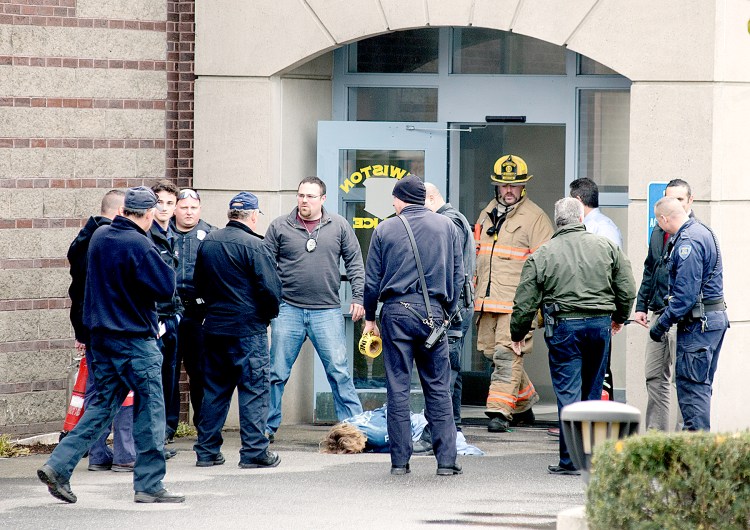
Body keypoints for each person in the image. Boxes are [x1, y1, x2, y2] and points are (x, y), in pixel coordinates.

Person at [38, 186, 184, 504]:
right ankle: (149, 484)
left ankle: (59, 466)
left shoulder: (100, 238)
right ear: (146, 215)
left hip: (101, 340)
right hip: (134, 341)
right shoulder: (140, 243)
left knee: (102, 405)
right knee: (151, 410)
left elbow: (78, 254)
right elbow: (165, 286)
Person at [510, 197, 635, 475]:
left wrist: (518, 333)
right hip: (599, 327)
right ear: (581, 218)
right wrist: (619, 317)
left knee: (568, 393)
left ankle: (569, 461)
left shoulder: (542, 254)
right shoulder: (606, 247)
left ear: (558, 221)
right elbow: (627, 287)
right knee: (592, 391)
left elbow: (524, 301)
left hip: (564, 328)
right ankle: (592, 458)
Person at [363, 175, 464, 476]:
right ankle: (446, 461)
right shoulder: (446, 226)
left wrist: (370, 318)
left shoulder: (385, 229)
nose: (392, 204)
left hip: (396, 314)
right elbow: (458, 276)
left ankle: (399, 462)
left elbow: (371, 283)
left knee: (398, 388)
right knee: (438, 387)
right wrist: (446, 311)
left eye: (393, 198)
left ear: (401, 199)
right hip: (434, 314)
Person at [264, 176, 364, 441]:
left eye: (309, 196)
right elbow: (263, 268)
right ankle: (265, 428)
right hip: (287, 310)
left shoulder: (339, 226)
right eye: (300, 195)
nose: (304, 200)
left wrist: (358, 297)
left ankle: (354, 429)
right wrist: (267, 304)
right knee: (276, 373)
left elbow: (355, 263)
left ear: (323, 199)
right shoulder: (280, 226)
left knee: (339, 372)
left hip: (326, 311)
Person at [193, 192, 283, 468]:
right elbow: (271, 291)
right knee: (254, 389)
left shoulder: (208, 242)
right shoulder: (255, 246)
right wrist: (265, 318)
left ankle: (207, 451)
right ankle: (255, 452)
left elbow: (199, 285)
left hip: (215, 327)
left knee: (215, 391)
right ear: (253, 215)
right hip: (247, 330)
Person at [474, 154, 554, 432]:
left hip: (517, 306)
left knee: (508, 356)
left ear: (523, 187)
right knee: (492, 354)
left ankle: (500, 412)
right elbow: (477, 255)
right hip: (486, 302)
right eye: (503, 186)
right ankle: (524, 402)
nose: (508, 191)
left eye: (514, 186)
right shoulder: (487, 214)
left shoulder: (536, 219)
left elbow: (546, 268)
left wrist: (537, 308)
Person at [66, 189, 136, 473]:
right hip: (113, 326)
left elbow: (77, 288)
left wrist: (80, 331)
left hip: (89, 325)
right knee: (124, 389)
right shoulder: (111, 239)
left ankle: (97, 454)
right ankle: (125, 454)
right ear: (121, 212)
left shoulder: (84, 237)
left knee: (96, 391)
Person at [649, 196, 728, 432]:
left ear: (664, 218)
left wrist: (660, 325)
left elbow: (685, 296)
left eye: (658, 221)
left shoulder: (688, 242)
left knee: (692, 390)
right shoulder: (703, 231)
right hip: (710, 321)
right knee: (700, 387)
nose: (659, 225)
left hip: (698, 326)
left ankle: (695, 457)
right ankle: (700, 454)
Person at [634, 179, 695, 431]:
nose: (674, 204)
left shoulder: (695, 232)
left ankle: (683, 441)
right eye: (670, 199)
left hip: (683, 317)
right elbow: (651, 268)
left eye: (679, 199)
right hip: (658, 312)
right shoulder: (659, 230)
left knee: (684, 380)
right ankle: (655, 439)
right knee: (654, 376)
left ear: (690, 201)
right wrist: (641, 305)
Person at [424, 182, 475, 430]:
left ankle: (439, 427)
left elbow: (446, 268)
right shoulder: (455, 219)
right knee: (452, 367)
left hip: (453, 307)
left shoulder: (449, 222)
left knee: (444, 369)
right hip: (459, 305)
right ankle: (452, 425)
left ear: (431, 199)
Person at [569, 177, 624, 400]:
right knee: (586, 369)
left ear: (578, 200)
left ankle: (598, 422)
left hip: (598, 309)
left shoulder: (602, 228)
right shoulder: (592, 226)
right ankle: (581, 423)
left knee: (599, 371)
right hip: (587, 308)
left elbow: (612, 271)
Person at [171, 188, 217, 433]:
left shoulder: (211, 236)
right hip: (169, 311)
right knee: (167, 371)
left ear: (200, 209)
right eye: (184, 207)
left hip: (198, 313)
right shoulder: (163, 234)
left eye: (193, 208)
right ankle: (169, 427)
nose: (189, 212)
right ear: (176, 209)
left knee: (200, 371)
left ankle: (203, 425)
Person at [149, 180, 183, 445]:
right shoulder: (147, 235)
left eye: (170, 203)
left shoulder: (172, 234)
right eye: (159, 202)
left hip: (172, 317)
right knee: (154, 379)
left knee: (169, 377)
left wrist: (179, 311)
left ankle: (166, 432)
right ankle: (155, 437)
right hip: (154, 318)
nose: (164, 208)